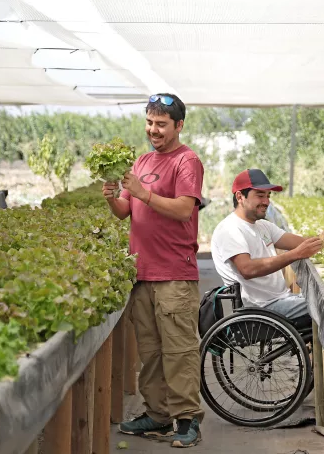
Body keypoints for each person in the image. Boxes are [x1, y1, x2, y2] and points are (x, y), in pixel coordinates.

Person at [102, 93, 205, 448]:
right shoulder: (143, 160)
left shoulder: (187, 161)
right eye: (149, 122)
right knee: (150, 353)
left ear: (179, 125)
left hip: (175, 273)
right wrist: (112, 196)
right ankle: (158, 416)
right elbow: (124, 212)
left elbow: (182, 210)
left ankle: (187, 420)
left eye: (161, 124)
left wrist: (143, 193)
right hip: (142, 273)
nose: (153, 130)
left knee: (179, 352)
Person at [210, 169, 324, 320]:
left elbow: (301, 243)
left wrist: (323, 239)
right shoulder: (230, 229)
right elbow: (247, 269)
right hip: (261, 309)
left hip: (281, 300)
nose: (266, 202)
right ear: (240, 197)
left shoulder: (263, 226)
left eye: (268, 196)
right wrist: (296, 254)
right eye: (260, 195)